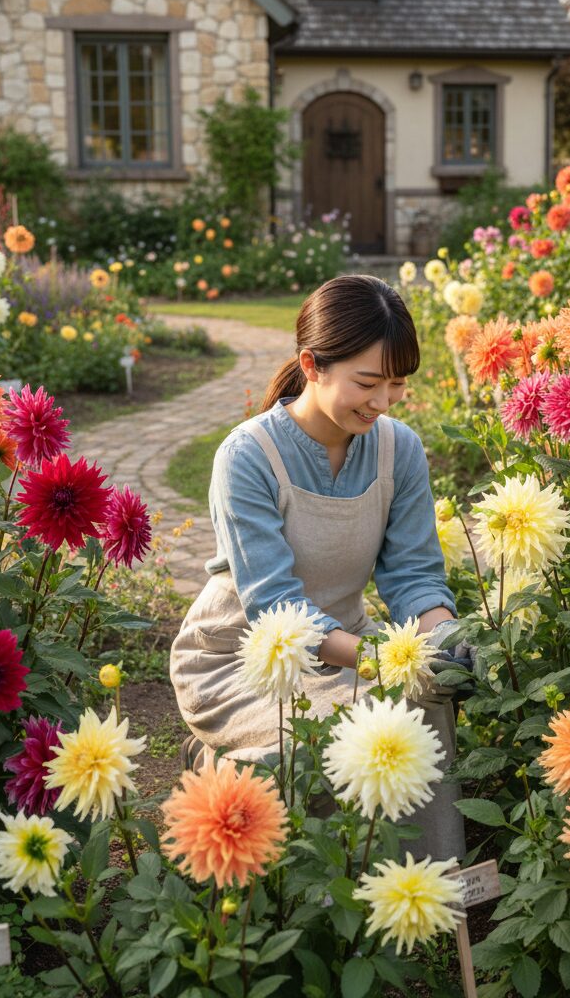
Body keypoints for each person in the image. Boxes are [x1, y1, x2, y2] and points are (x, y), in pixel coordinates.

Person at [169, 274, 470, 860]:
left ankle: (431, 897)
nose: (382, 402)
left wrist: (443, 643)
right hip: (247, 658)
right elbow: (274, 606)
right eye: (366, 382)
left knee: (425, 701)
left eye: (398, 384)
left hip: (347, 649)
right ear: (312, 365)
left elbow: (413, 576)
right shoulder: (248, 456)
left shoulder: (397, 449)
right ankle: (219, 771)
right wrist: (385, 661)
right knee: (347, 729)